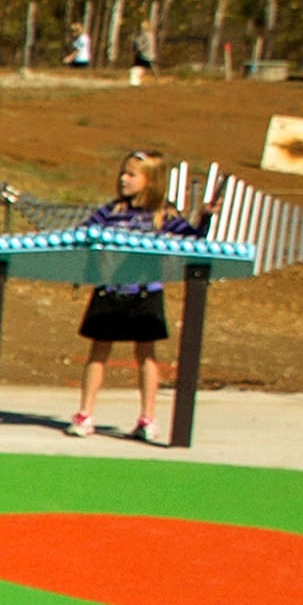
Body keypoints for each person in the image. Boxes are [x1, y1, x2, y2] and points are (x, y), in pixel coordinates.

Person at [70, 146, 203, 438]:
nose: (123, 180)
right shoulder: (111, 211)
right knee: (98, 352)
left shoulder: (164, 214)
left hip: (145, 293)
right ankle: (85, 413)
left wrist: (204, 217)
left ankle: (147, 418)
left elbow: (193, 239)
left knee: (146, 354)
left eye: (131, 175)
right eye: (122, 173)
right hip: (110, 291)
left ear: (151, 180)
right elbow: (83, 233)